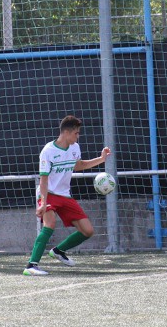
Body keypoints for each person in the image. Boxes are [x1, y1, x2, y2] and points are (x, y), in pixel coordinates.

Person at [23, 115, 111, 276]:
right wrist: (42, 202)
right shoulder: (48, 151)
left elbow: (78, 165)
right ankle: (31, 265)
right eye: (76, 133)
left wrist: (101, 159)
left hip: (64, 195)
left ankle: (58, 250)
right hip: (48, 193)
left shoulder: (74, 147)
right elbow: (43, 180)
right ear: (66, 132)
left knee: (87, 231)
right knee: (49, 224)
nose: (78, 136)